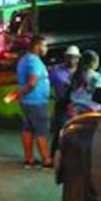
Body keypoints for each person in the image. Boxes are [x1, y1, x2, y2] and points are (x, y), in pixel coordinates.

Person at [15, 34, 52, 168]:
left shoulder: (24, 59)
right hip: (36, 102)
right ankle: (46, 159)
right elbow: (32, 83)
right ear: (37, 46)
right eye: (45, 45)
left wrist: (19, 95)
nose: (46, 48)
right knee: (41, 130)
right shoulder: (34, 61)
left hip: (27, 101)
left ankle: (29, 159)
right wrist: (19, 93)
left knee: (28, 129)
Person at [49, 45, 81, 147]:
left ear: (78, 58)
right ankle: (54, 155)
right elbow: (49, 84)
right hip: (62, 103)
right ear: (65, 57)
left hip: (77, 105)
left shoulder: (81, 72)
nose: (71, 60)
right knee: (60, 131)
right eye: (69, 57)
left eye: (74, 57)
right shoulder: (56, 70)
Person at [69, 49, 101, 114]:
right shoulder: (96, 77)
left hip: (75, 110)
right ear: (93, 63)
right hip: (91, 111)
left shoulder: (73, 75)